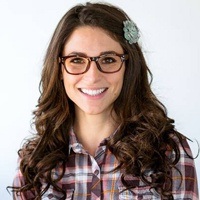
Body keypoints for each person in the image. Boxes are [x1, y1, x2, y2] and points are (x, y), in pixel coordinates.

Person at [10, 2, 199, 200]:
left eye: (108, 59)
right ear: (58, 69)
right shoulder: (33, 162)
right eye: (76, 60)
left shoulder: (168, 151)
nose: (92, 76)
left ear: (129, 67)